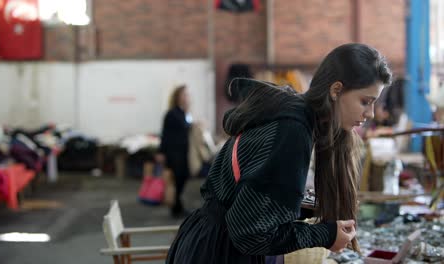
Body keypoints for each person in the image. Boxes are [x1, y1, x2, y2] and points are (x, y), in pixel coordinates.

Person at [166, 43, 392, 263]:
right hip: (217, 252)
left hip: (214, 242)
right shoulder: (292, 130)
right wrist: (325, 234)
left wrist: (298, 207)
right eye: (365, 101)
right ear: (336, 90)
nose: (370, 113)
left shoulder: (295, 115)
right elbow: (251, 234)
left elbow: (254, 200)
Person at [158, 85, 192, 218]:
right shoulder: (171, 113)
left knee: (183, 177)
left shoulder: (184, 113)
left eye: (187, 95)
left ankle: (177, 205)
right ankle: (176, 207)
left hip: (183, 152)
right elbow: (164, 134)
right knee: (176, 179)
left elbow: (188, 128)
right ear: (177, 97)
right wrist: (161, 152)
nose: (187, 97)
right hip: (173, 153)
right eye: (184, 95)